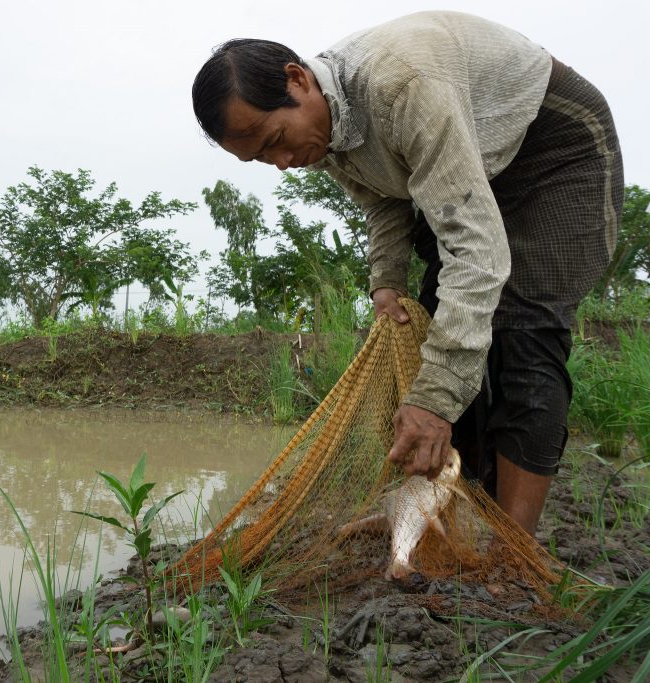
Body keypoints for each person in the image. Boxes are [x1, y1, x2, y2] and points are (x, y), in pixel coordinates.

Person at [191, 10, 623, 536]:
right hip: (470, 162)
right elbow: (380, 197)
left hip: (550, 145)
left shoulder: (402, 85)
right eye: (260, 158)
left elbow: (478, 252)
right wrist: (386, 277)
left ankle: (514, 550)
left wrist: (435, 401)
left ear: (297, 80)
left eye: (275, 138)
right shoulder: (319, 129)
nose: (281, 162)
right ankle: (443, 511)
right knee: (437, 321)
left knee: (524, 329)